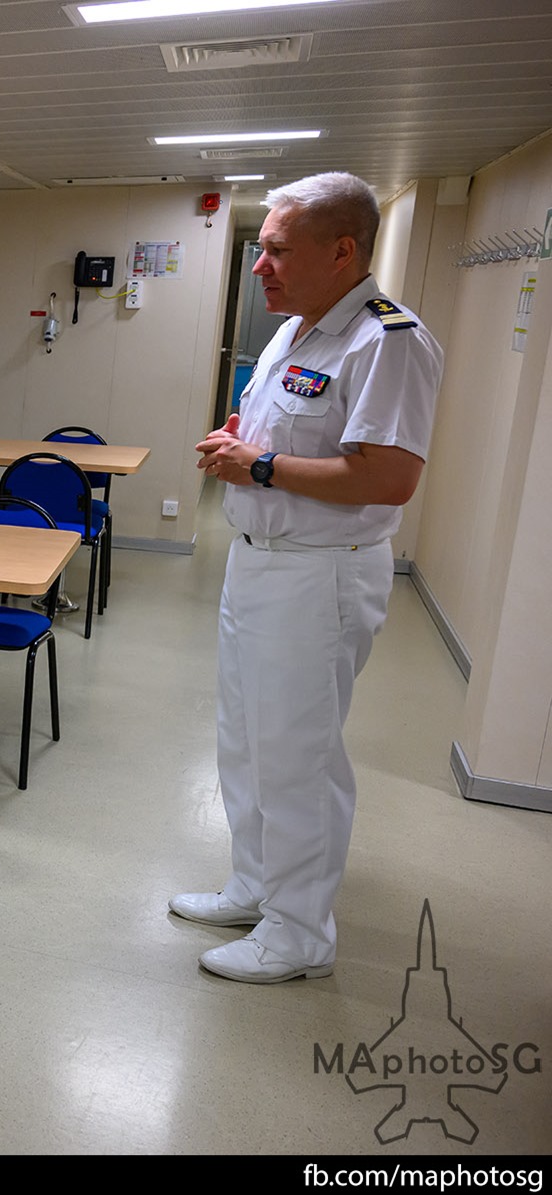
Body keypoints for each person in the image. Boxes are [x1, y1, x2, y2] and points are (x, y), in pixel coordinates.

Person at [177, 173, 443, 983]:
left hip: (317, 576)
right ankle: (257, 885)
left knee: (297, 755)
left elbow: (389, 476)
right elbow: (286, 445)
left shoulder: (386, 340)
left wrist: (257, 462)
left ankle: (299, 932)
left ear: (343, 251)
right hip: (256, 565)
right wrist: (243, 442)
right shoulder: (297, 333)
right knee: (245, 741)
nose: (261, 264)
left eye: (277, 249)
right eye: (260, 249)